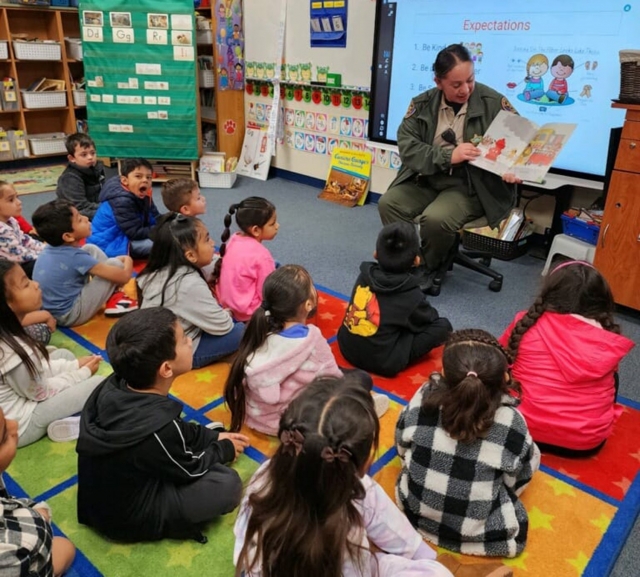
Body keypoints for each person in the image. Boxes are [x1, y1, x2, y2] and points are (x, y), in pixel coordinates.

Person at [234, 374, 454, 577]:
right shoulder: (361, 494)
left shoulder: (262, 479)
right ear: (364, 464)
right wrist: (428, 561)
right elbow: (409, 546)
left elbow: (244, 554)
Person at [76, 307, 248, 542]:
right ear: (166, 368)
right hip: (128, 518)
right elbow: (189, 469)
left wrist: (211, 437)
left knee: (193, 443)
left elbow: (171, 429)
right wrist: (223, 449)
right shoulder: (159, 429)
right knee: (227, 484)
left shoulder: (115, 384)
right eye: (183, 339)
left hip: (101, 500)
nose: (190, 341)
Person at [378, 43, 520, 286]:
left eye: (470, 80)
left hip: (471, 185)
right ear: (438, 82)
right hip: (427, 177)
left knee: (436, 219)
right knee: (388, 203)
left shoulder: (493, 102)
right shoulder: (422, 105)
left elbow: (519, 142)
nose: (465, 89)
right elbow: (408, 148)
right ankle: (412, 259)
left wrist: (514, 168)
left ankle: (428, 266)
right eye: (456, 84)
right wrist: (448, 156)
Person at [396, 329, 540, 558]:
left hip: (415, 511)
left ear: (443, 372)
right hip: (477, 532)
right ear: (504, 378)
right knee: (529, 455)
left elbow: (401, 445)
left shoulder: (424, 396)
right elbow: (517, 479)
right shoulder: (512, 421)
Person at [224, 265, 389, 435]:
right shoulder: (312, 340)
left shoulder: (259, 328)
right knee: (361, 378)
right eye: (312, 287)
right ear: (308, 304)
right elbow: (333, 381)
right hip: (295, 420)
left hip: (261, 417)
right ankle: (363, 409)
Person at [499, 260, 634, 456]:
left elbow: (497, 359)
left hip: (520, 428)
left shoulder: (525, 321)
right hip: (585, 443)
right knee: (611, 376)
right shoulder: (608, 338)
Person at [0, 260, 104, 447]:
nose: (36, 284)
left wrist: (73, 365)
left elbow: (36, 374)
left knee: (64, 355)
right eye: (26, 284)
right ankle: (76, 422)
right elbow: (41, 392)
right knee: (98, 383)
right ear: (6, 305)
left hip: (22, 398)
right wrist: (81, 373)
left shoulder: (8, 334)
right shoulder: (12, 353)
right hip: (21, 426)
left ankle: (72, 412)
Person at [337, 222, 452, 377]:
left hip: (346, 346)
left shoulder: (364, 275)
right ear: (416, 261)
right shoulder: (412, 294)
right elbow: (430, 319)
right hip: (384, 362)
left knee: (402, 318)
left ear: (376, 254)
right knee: (443, 326)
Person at [136, 213, 244, 368]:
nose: (213, 243)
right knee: (244, 330)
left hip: (160, 345)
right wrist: (229, 312)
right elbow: (224, 326)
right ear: (190, 255)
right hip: (178, 354)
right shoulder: (188, 283)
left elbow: (214, 263)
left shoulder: (160, 269)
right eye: (207, 240)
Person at [32, 199, 137, 326]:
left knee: (90, 249)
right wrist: (128, 259)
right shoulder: (76, 257)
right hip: (70, 315)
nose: (86, 218)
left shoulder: (50, 247)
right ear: (68, 236)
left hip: (50, 311)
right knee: (115, 265)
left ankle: (113, 293)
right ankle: (115, 296)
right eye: (79, 219)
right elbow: (124, 277)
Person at [0, 407, 76, 575]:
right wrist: (35, 518)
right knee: (66, 547)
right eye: (4, 436)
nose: (14, 424)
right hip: (24, 548)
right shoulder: (24, 541)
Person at [211, 196, 278, 322]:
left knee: (275, 265)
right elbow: (266, 293)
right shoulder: (262, 256)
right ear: (256, 230)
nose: (277, 226)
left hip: (225, 302)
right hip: (248, 312)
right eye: (272, 223)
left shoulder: (234, 237)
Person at [87, 158, 160, 258]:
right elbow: (135, 232)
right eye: (138, 176)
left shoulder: (143, 192)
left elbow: (154, 216)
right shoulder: (122, 201)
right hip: (110, 242)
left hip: (124, 234)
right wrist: (162, 231)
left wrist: (168, 223)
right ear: (124, 180)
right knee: (164, 245)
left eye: (149, 177)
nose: (145, 180)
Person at [55, 132, 106, 219]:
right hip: (75, 216)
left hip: (95, 208)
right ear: (72, 158)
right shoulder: (70, 178)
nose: (90, 157)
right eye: (84, 155)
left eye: (93, 153)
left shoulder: (97, 168)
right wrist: (107, 210)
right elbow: (79, 208)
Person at [0, 180, 44, 279]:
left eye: (17, 197)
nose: (19, 202)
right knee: (37, 265)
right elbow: (20, 255)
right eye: (11, 200)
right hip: (9, 266)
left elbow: (25, 240)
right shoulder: (1, 231)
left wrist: (45, 248)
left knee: (37, 239)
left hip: (17, 255)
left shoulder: (11, 220)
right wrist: (46, 255)